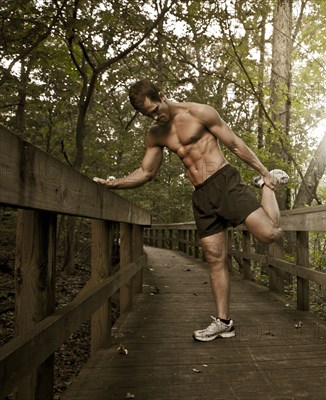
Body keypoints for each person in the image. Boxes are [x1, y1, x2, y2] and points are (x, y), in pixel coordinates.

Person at [93, 79, 289, 342]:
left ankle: (266, 186)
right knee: (214, 257)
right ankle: (223, 322)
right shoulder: (155, 134)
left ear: (162, 95)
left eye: (155, 110)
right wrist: (113, 183)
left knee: (270, 234)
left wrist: (264, 172)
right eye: (147, 115)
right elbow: (146, 172)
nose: (154, 117)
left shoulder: (200, 112)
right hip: (201, 195)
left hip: (224, 182)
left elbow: (234, 144)